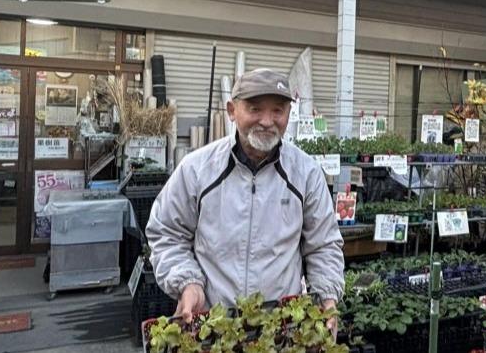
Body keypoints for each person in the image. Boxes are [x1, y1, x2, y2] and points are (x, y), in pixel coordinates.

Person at [146, 68, 344, 325]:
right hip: (213, 324)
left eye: (278, 110)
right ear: (232, 110)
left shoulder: (306, 173)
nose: (267, 121)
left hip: (281, 328)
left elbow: (323, 245)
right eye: (255, 109)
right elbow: (167, 233)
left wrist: (327, 297)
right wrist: (188, 282)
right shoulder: (197, 169)